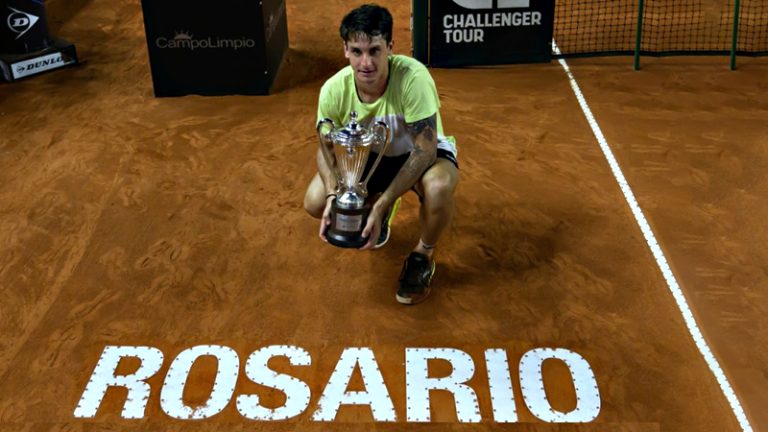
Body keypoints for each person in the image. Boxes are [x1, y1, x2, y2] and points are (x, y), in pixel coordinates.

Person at [303, 4, 459, 305]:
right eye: (357, 51)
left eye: (374, 50)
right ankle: (379, 206)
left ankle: (423, 255)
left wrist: (384, 199)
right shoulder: (333, 90)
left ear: (390, 47)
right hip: (371, 158)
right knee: (314, 200)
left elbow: (425, 150)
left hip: (420, 155)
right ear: (345, 50)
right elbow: (325, 149)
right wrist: (334, 194)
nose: (366, 63)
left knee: (438, 187)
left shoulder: (413, 78)